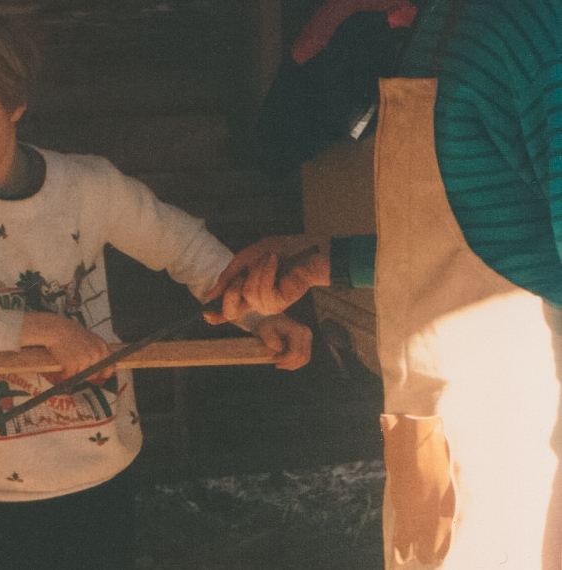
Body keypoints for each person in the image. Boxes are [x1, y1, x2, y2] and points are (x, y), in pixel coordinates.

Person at [0, 6, 313, 569]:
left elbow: (184, 249)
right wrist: (43, 329)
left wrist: (259, 316)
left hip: (100, 463)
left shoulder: (88, 187)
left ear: (14, 104)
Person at [213, 1, 562, 568]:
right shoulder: (441, 28)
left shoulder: (525, 33)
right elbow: (490, 240)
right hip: (443, 437)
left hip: (521, 457)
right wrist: (320, 261)